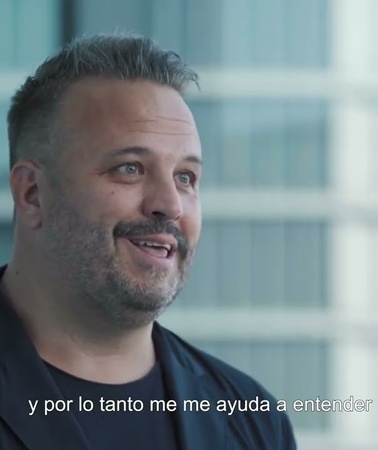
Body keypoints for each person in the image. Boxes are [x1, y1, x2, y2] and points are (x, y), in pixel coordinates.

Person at [0, 34, 297, 449]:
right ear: (32, 193)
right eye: (130, 168)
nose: (170, 205)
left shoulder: (251, 422)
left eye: (186, 177)